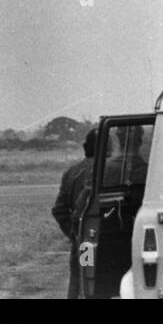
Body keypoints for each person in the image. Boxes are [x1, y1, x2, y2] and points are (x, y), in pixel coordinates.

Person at [51, 127, 97, 299]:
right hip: (111, 240)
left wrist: (75, 234)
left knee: (80, 283)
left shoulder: (72, 172)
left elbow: (59, 209)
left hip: (84, 242)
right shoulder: (114, 169)